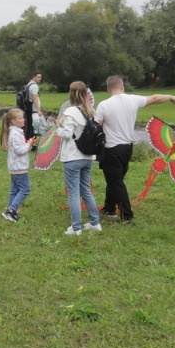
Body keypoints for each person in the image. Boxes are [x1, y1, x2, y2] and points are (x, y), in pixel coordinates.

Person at [94, 76, 175, 223]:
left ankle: (126, 216)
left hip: (111, 149)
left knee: (116, 182)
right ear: (122, 86)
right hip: (128, 148)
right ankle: (109, 208)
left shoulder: (104, 105)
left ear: (108, 88)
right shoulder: (133, 99)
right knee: (115, 180)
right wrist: (170, 96)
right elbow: (154, 98)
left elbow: (97, 127)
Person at [57, 81, 102, 235]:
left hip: (72, 157)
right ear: (85, 93)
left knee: (74, 193)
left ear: (71, 93)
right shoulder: (91, 111)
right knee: (86, 190)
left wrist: (59, 128)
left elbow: (67, 134)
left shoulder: (70, 111)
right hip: (88, 157)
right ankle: (94, 223)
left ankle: (76, 228)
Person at [0, 107, 34, 222]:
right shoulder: (15, 134)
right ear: (13, 121)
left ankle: (11, 210)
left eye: (23, 117)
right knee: (25, 189)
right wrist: (28, 144)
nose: (23, 119)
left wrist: (28, 144)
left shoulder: (16, 132)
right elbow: (19, 151)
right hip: (19, 167)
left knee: (14, 190)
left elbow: (19, 149)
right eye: (20, 118)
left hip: (15, 167)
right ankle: (11, 210)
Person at [22, 72, 43, 144]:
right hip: (33, 110)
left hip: (28, 109)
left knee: (29, 127)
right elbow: (35, 99)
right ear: (34, 77)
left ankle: (27, 143)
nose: (40, 79)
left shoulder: (29, 84)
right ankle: (32, 145)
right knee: (33, 128)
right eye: (38, 77)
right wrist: (38, 110)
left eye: (40, 77)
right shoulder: (34, 86)